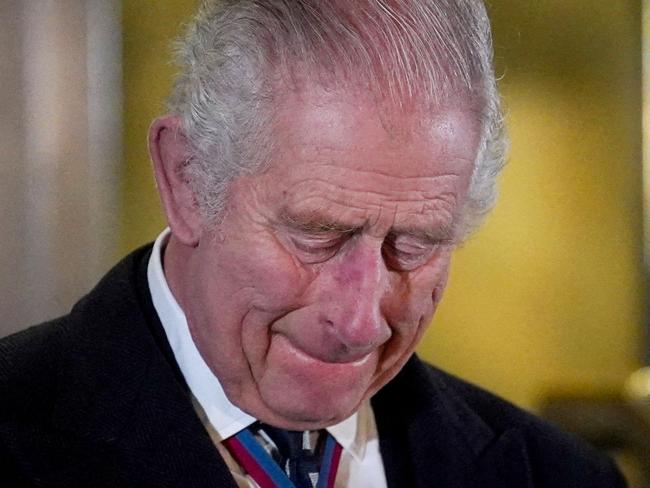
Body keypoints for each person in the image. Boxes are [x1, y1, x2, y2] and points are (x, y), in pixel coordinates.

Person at [0, 1, 626, 487]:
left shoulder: (558, 476)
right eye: (318, 235)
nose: (360, 322)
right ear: (187, 180)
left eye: (413, 245)